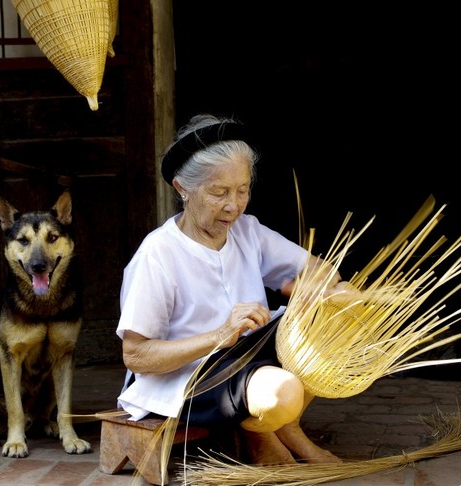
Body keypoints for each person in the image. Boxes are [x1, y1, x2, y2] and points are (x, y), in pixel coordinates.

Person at [115, 113, 350, 465]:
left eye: (242, 190)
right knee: (281, 392)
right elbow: (136, 355)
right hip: (192, 376)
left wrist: (312, 290)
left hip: (252, 359)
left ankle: (267, 432)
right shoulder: (157, 254)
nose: (233, 205)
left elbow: (319, 270)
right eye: (218, 192)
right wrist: (219, 335)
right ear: (182, 188)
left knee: (336, 325)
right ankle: (270, 434)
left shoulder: (247, 231)